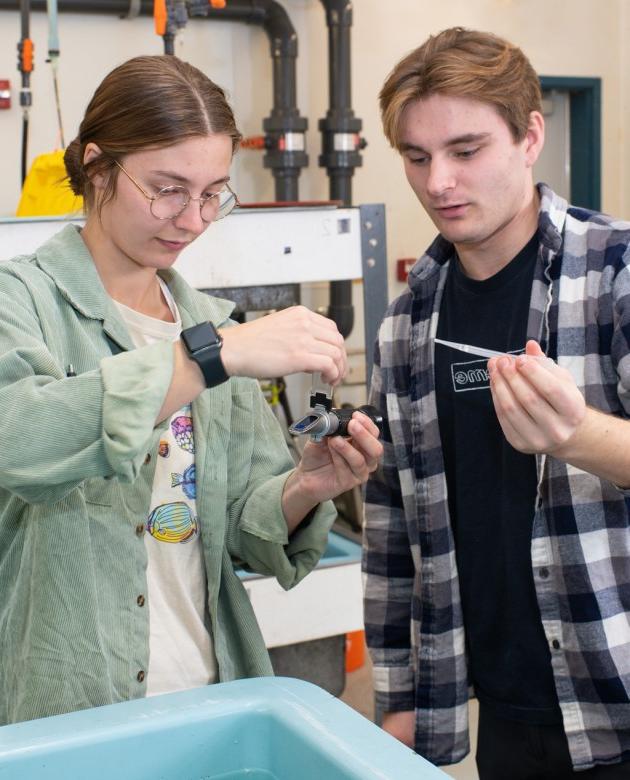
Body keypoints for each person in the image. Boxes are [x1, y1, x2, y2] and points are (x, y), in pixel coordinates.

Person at [0, 54, 383, 726]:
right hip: (63, 706)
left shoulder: (213, 327)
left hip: (209, 696)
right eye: (167, 189)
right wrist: (209, 356)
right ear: (97, 167)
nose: (192, 218)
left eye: (212, 193)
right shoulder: (21, 301)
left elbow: (239, 531)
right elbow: (21, 442)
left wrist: (306, 488)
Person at [363, 26, 630, 779]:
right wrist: (400, 694)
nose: (439, 181)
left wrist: (579, 435)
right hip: (506, 720)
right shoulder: (408, 324)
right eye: (417, 158)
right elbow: (391, 530)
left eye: (466, 151)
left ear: (529, 137)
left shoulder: (614, 273)